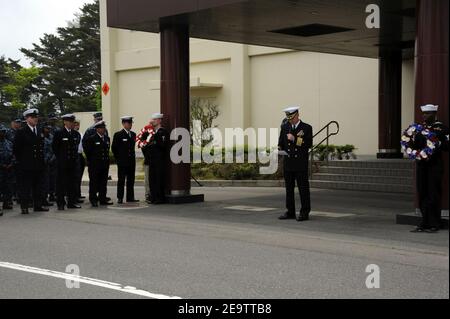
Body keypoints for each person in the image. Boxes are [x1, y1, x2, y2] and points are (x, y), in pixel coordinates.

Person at [411, 104, 449, 233]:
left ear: (434, 114)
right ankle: (424, 222)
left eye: (427, 114)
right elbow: (414, 144)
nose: (424, 116)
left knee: (433, 193)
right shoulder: (419, 128)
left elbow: (447, 146)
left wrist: (438, 144)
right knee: (422, 192)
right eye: (423, 114)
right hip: (422, 164)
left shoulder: (442, 128)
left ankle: (434, 223)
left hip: (435, 165)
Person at [278, 106, 313, 222]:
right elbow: (281, 143)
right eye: (288, 118)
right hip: (288, 163)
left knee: (303, 189)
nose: (290, 120)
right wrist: (278, 150)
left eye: (292, 118)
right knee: (289, 190)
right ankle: (290, 212)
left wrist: (294, 139)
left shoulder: (306, 128)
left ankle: (304, 212)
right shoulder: (285, 127)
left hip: (300, 164)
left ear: (297, 115)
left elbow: (308, 144)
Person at [12, 109, 49, 215]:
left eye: (36, 117)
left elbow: (41, 147)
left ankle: (37, 206)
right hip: (26, 165)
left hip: (38, 164)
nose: (35, 119)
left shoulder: (39, 130)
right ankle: (24, 206)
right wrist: (22, 161)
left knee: (38, 186)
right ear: (27, 119)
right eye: (32, 117)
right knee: (25, 187)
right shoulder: (21, 132)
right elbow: (16, 149)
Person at [52, 114, 82, 211]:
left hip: (73, 163)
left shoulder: (75, 134)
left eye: (73, 122)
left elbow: (75, 148)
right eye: (69, 122)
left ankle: (71, 202)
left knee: (72, 184)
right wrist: (61, 159)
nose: (72, 123)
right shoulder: (59, 133)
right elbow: (55, 148)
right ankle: (60, 203)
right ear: (65, 122)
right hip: (62, 163)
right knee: (61, 184)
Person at [83, 120, 113, 207]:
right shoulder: (91, 139)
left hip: (104, 164)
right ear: (97, 129)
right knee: (94, 182)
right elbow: (88, 152)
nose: (104, 130)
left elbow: (106, 151)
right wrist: (92, 161)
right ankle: (93, 199)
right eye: (101, 128)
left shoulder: (107, 138)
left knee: (103, 183)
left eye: (104, 128)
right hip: (94, 165)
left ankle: (102, 198)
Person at [112, 116, 138, 204]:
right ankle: (120, 197)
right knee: (121, 180)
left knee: (131, 180)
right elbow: (114, 148)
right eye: (128, 123)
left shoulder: (133, 134)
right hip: (122, 162)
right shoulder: (118, 135)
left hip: (131, 162)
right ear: (123, 124)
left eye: (131, 123)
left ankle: (130, 197)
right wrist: (118, 159)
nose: (130, 125)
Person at [147, 113, 169, 205]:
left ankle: (159, 198)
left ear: (159, 120)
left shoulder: (162, 132)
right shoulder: (153, 133)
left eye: (155, 119)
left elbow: (163, 145)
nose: (153, 121)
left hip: (160, 160)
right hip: (152, 160)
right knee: (152, 179)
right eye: (153, 119)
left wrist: (154, 137)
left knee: (159, 179)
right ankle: (153, 197)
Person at [0, 125, 14, 212]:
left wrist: (11, 163)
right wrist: (2, 165)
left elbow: (14, 155)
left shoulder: (9, 143)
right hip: (0, 168)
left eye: (3, 132)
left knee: (8, 187)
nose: (2, 133)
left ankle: (6, 202)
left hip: (9, 169)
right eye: (1, 131)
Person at [42, 125, 56, 207]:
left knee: (52, 180)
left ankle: (51, 195)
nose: (48, 130)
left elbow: (54, 148)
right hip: (44, 162)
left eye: (49, 128)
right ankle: (43, 198)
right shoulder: (40, 136)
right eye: (47, 128)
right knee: (45, 182)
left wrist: (53, 158)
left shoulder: (52, 137)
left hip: (52, 161)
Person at [74, 120, 86, 201]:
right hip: (75, 155)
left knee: (79, 176)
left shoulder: (81, 134)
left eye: (78, 125)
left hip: (80, 155)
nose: (77, 126)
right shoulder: (72, 134)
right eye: (75, 125)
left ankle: (78, 193)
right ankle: (74, 195)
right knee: (75, 176)